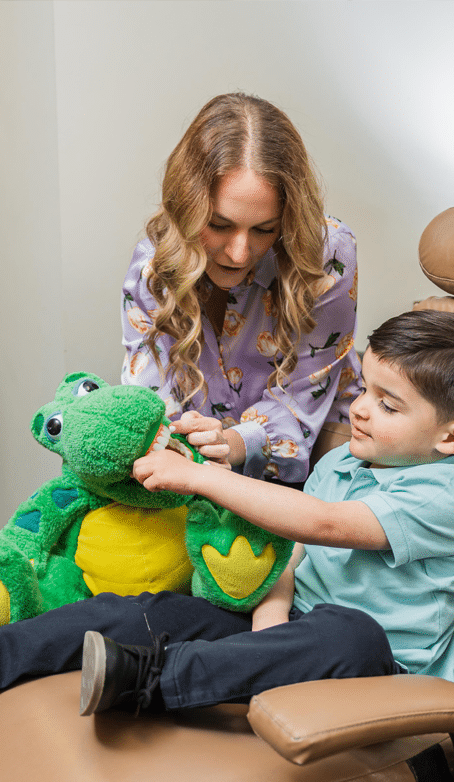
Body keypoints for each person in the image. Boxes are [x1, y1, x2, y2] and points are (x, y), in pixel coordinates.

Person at [0, 309, 454, 712]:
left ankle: (147, 680)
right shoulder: (345, 462)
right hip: (287, 629)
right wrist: (268, 617)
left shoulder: (442, 497)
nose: (359, 408)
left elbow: (324, 526)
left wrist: (204, 478)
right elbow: (290, 546)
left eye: (388, 404)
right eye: (364, 388)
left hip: (379, 670)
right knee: (143, 609)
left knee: (352, 632)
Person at [121, 92, 361, 486]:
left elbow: (305, 394)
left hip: (322, 466)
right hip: (195, 473)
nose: (238, 252)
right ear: (187, 206)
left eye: (265, 229)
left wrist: (234, 443)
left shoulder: (328, 253)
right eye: (218, 225)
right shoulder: (154, 264)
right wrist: (187, 449)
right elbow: (149, 402)